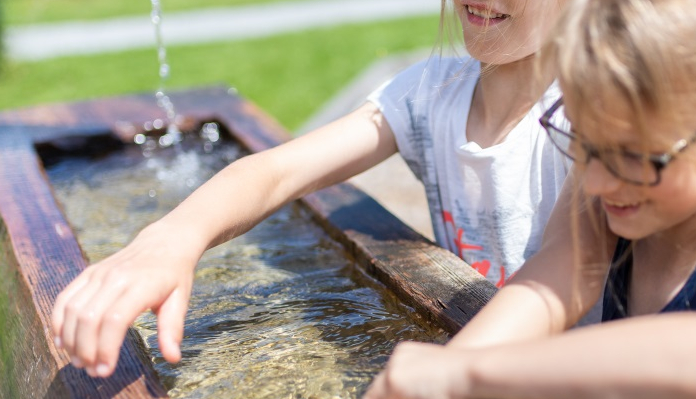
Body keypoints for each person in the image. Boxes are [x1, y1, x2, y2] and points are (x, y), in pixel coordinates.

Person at [301, 0, 696, 399]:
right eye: (583, 143)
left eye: (632, 156)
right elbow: (532, 301)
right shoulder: (607, 212)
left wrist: (466, 373)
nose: (593, 180)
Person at [50, 0, 571, 379]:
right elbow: (274, 173)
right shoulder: (432, 94)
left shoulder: (589, 120)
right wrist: (171, 239)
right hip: (476, 363)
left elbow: (563, 276)